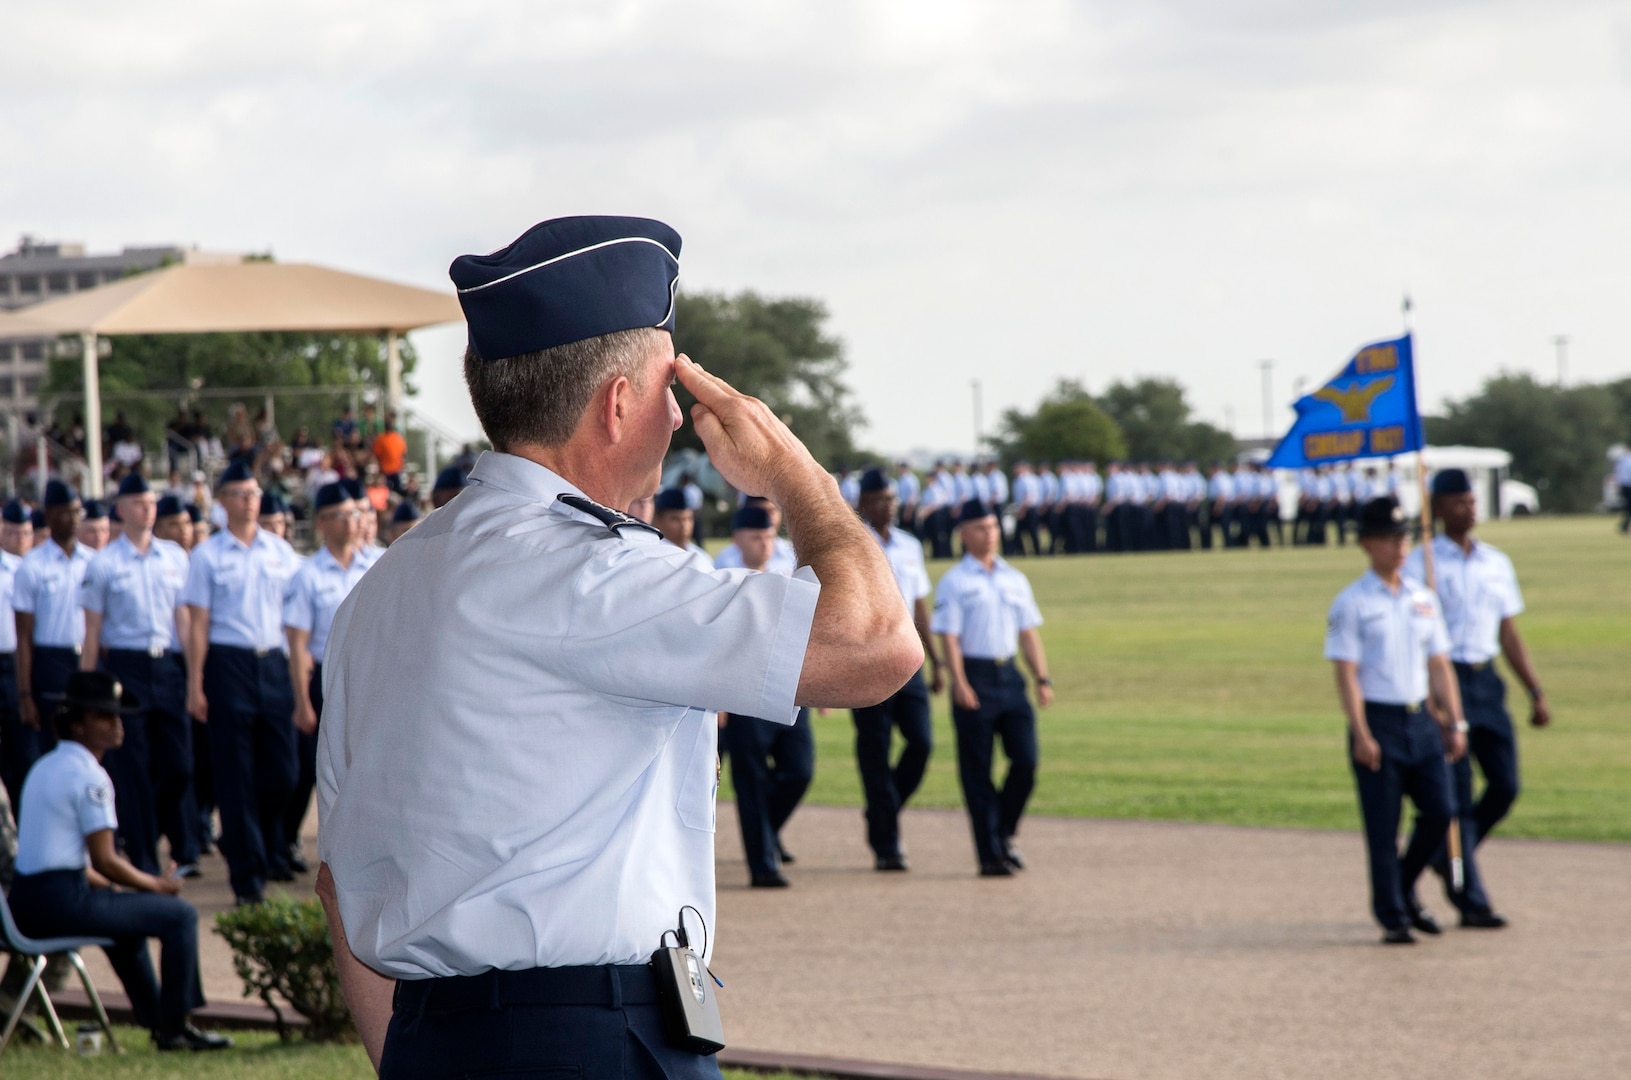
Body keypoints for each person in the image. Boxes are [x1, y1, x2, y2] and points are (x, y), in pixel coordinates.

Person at [315, 215, 918, 1077]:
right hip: (595, 1040)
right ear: (619, 404)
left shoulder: (383, 589)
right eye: (670, 387)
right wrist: (798, 476)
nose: (680, 415)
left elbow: (341, 881)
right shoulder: (592, 572)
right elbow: (875, 645)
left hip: (430, 1041)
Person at [8, 671, 230, 1050]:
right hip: (62, 903)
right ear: (77, 725)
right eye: (104, 717)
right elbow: (105, 860)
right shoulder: (91, 776)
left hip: (25, 903)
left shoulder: (44, 767)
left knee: (125, 927)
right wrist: (158, 886)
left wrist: (117, 889)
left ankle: (161, 1022)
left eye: (117, 716)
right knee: (180, 916)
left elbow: (64, 861)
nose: (117, 724)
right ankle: (176, 1027)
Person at [1405, 468, 1545, 928]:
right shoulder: (1421, 562)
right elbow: (1415, 634)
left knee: (1504, 786)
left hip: (1487, 681)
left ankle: (1449, 857)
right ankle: (1471, 899)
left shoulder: (1495, 563)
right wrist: (1435, 701)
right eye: (1460, 502)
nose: (1470, 509)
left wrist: (1534, 690)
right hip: (1447, 680)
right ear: (1439, 508)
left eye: (1472, 501)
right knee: (1458, 797)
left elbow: (1509, 630)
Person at [1325, 495, 1467, 944]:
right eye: (1389, 539)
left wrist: (1455, 720)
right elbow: (1346, 674)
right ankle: (1393, 914)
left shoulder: (1422, 598)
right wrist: (1361, 731)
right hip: (1380, 720)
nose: (1399, 547)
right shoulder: (1351, 602)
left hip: (1421, 719)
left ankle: (1402, 887)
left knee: (1441, 812)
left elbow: (1439, 664)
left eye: (1403, 538)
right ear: (1367, 544)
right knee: (1384, 826)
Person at [182, 460, 303, 904]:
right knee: (234, 777)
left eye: (255, 493)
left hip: (273, 662)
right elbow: (197, 625)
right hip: (227, 664)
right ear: (223, 502)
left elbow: (296, 622)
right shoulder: (207, 555)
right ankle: (247, 880)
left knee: (284, 773)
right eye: (241, 494)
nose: (251, 501)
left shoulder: (280, 552)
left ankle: (266, 843)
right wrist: (195, 685)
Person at [79, 473, 196, 878]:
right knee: (133, 767)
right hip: (125, 667)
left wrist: (193, 671)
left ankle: (156, 829)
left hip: (167, 666)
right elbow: (92, 629)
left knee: (180, 766)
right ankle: (144, 858)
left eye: (152, 502)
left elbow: (183, 619)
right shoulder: (104, 563)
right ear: (122, 509)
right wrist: (86, 686)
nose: (148, 509)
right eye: (139, 503)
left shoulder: (176, 558)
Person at [932, 500, 1053, 876]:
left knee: (1026, 761)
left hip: (1010, 676)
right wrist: (959, 682)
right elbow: (949, 637)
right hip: (975, 676)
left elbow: (1028, 633)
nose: (990, 534)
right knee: (978, 771)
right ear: (964, 534)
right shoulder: (956, 580)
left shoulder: (1014, 578)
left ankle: (1002, 830)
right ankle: (990, 855)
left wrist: (1042, 678)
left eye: (993, 527)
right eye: (981, 528)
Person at [715, 504, 815, 887]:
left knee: (799, 770)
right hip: (744, 691)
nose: (765, 543)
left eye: (770, 535)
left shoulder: (788, 572)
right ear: (738, 539)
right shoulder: (723, 576)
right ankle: (763, 866)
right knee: (752, 779)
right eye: (756, 536)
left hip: (788, 687)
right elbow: (719, 645)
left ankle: (766, 834)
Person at [283, 484, 377, 881]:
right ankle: (303, 843)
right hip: (326, 676)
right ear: (321, 523)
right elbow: (298, 644)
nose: (351, 521)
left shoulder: (380, 561)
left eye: (356, 514)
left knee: (369, 766)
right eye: (340, 515)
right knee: (314, 770)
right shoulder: (307, 575)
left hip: (370, 676)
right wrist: (302, 701)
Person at [852, 469, 942, 870]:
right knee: (876, 750)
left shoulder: (909, 545)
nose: (890, 505)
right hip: (869, 659)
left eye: (892, 498)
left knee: (921, 743)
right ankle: (887, 845)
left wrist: (937, 660)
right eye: (881, 499)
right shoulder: (852, 544)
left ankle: (881, 811)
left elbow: (920, 604)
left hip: (910, 658)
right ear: (863, 504)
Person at [9, 481, 94, 806]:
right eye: (64, 513)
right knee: (54, 748)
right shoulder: (33, 566)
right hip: (50, 662)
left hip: (84, 659)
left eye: (76, 512)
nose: (72, 519)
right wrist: (25, 693)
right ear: (49, 515)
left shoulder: (93, 562)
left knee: (91, 748)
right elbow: (24, 637)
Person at [652, 487, 707, 556]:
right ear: (658, 520)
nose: (683, 525)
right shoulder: (653, 554)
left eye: (688, 519)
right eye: (676, 519)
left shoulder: (701, 556)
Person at [371, 417, 408, 494]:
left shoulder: (393, 438)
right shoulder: (394, 438)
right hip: (388, 470)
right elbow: (404, 454)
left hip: (391, 469)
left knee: (393, 491)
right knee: (391, 491)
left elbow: (403, 454)